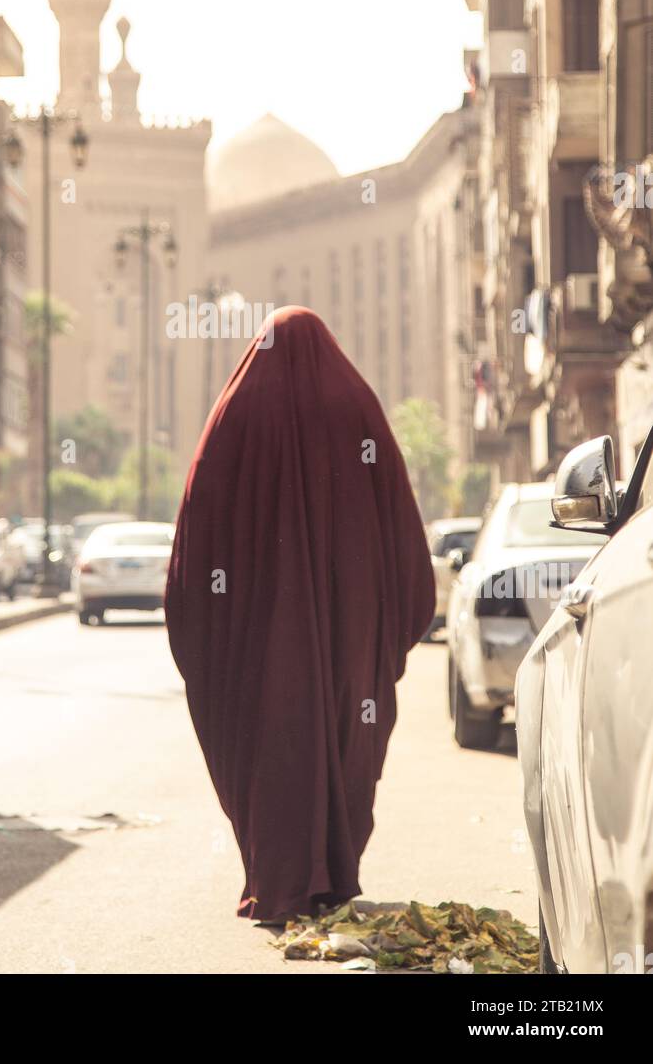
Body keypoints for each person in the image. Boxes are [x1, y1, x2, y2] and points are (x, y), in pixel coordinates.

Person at [164, 306, 435, 922]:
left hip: (255, 638)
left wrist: (208, 618)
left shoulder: (237, 411)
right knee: (344, 732)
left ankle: (276, 876)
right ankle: (333, 876)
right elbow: (398, 516)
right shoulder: (355, 404)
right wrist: (391, 615)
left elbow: (198, 513)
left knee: (272, 736)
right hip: (352, 628)